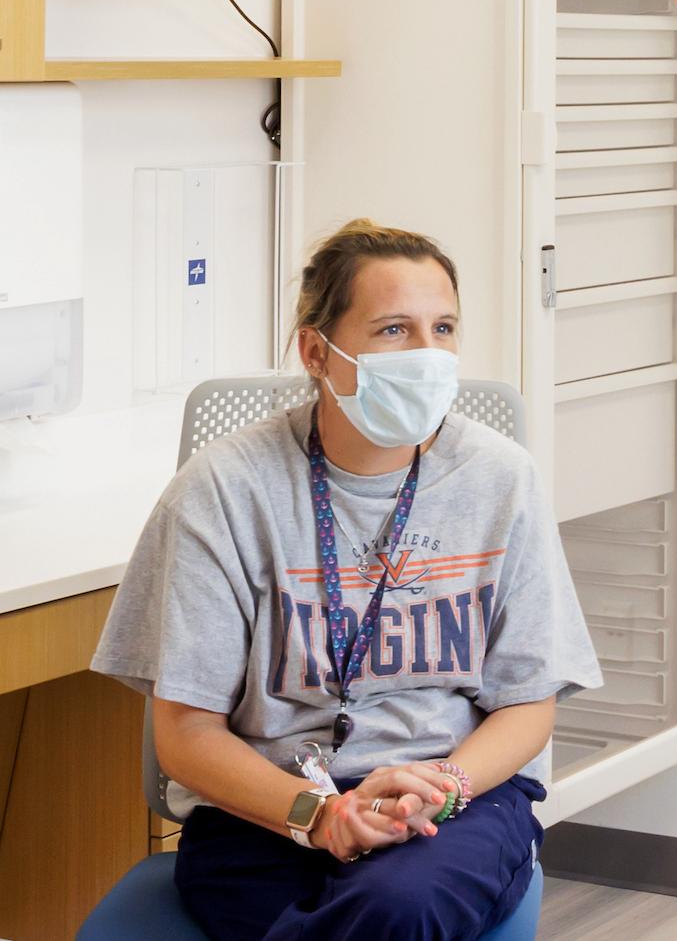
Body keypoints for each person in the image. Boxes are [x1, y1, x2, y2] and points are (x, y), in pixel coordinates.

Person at [91, 219, 603, 940]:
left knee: (398, 907)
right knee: (378, 922)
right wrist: (320, 813)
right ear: (315, 350)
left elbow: (528, 703)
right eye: (394, 330)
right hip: (266, 813)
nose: (427, 354)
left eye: (444, 327)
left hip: (451, 800)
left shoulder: (499, 480)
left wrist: (443, 788)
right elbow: (186, 735)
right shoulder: (223, 490)